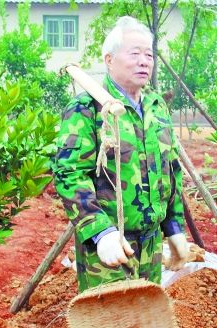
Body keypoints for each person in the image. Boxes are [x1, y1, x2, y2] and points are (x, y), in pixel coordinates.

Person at [53, 16, 188, 292]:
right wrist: (101, 233)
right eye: (135, 53)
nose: (144, 61)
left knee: (145, 322)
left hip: (151, 246)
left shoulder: (156, 106)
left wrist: (173, 227)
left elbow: (170, 169)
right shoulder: (88, 108)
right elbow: (70, 174)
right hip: (108, 249)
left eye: (149, 55)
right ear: (109, 59)